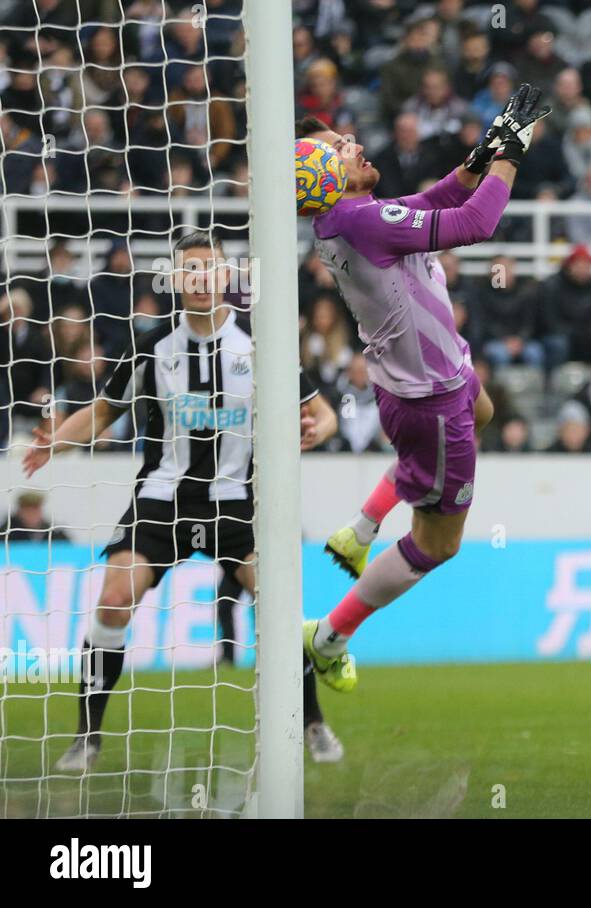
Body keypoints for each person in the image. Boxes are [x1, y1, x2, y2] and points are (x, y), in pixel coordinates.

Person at [22, 231, 341, 771]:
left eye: (208, 268)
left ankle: (311, 721)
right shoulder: (150, 347)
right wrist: (58, 439)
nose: (199, 278)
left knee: (281, 610)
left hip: (238, 503)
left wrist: (319, 430)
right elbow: (103, 411)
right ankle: (87, 735)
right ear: (174, 280)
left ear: (225, 278)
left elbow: (324, 411)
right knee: (114, 597)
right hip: (161, 502)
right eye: (188, 270)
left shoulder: (259, 347)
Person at [296, 85, 549, 694]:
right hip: (429, 399)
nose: (353, 145)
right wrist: (511, 155)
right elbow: (474, 222)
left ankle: (359, 529)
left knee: (483, 407)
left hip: (428, 377)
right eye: (338, 147)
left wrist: (479, 156)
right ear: (323, 175)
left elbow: (431, 199)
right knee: (439, 545)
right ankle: (330, 635)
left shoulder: (345, 220)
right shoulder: (362, 219)